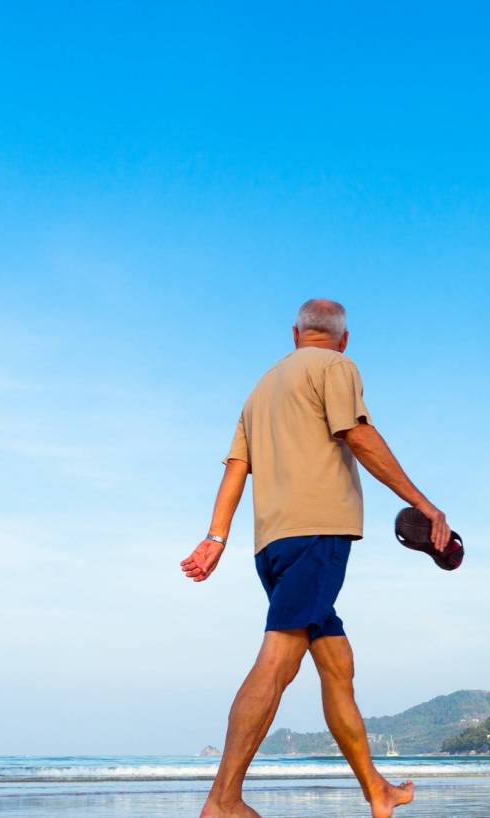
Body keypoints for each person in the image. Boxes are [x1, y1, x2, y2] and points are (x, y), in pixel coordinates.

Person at [180, 298, 453, 818]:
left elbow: (236, 469)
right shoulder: (337, 367)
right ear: (343, 338)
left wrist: (214, 539)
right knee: (279, 659)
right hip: (318, 536)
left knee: (336, 664)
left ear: (295, 333)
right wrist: (422, 503)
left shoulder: (260, 390)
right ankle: (224, 800)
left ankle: (376, 788)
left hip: (272, 545)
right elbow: (358, 434)